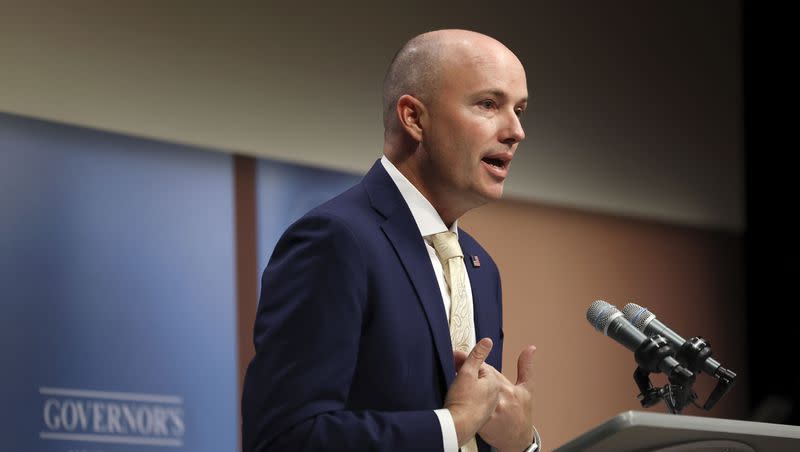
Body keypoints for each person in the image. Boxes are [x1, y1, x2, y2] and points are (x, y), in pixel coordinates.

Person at [242, 29, 540, 452]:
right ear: (414, 118)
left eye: (521, 110)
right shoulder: (336, 240)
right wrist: (451, 427)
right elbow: (283, 439)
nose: (516, 131)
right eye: (489, 104)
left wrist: (521, 444)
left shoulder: (480, 267)